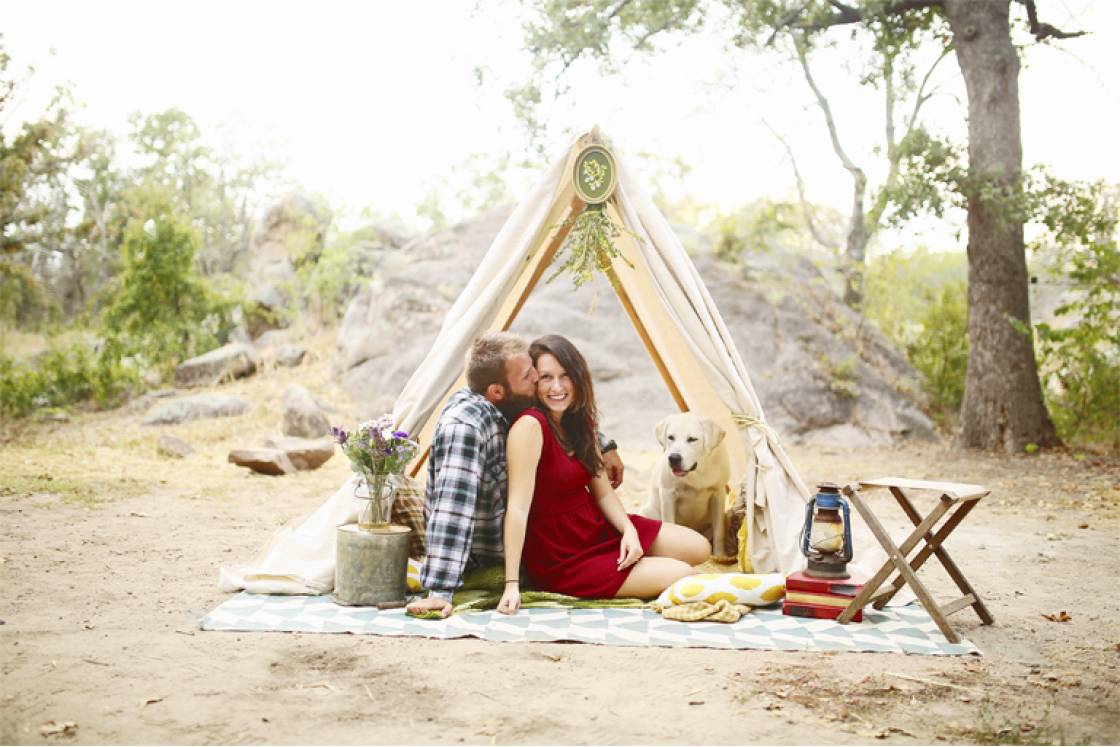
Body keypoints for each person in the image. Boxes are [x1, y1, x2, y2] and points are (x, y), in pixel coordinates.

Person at [405, 331, 624, 619]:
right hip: (489, 558)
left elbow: (558, 413)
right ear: (497, 391)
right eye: (528, 375)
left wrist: (603, 444)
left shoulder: (509, 400)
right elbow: (451, 509)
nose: (537, 379)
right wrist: (440, 591)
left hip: (542, 539)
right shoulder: (465, 428)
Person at [496, 335, 710, 615]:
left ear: (578, 378)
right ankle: (630, 571)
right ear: (534, 381)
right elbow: (518, 508)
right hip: (562, 554)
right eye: (546, 377)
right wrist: (511, 583)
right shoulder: (530, 426)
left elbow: (604, 491)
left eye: (565, 376)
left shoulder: (577, 421)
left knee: (700, 548)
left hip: (594, 528)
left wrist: (628, 531)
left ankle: (636, 560)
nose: (557, 387)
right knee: (683, 573)